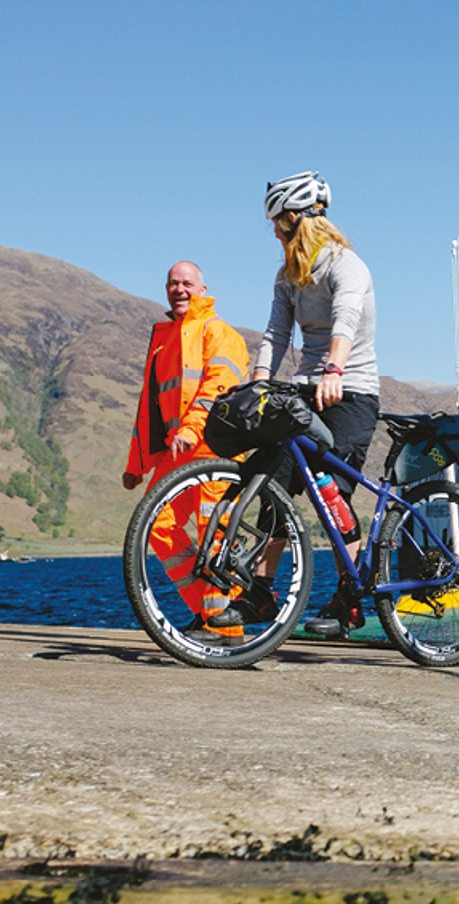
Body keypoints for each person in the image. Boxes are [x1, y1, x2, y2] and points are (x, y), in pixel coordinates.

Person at [251, 171, 382, 637]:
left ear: (291, 219)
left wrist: (334, 369)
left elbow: (345, 318)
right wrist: (261, 382)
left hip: (351, 392)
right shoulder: (288, 276)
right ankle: (260, 594)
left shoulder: (347, 265)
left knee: (333, 496)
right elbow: (276, 333)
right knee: (274, 483)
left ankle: (351, 598)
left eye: (276, 224)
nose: (273, 233)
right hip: (305, 390)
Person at [122, 261, 250, 641]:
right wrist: (137, 464)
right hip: (175, 456)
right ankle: (206, 612)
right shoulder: (164, 340)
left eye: (187, 283)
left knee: (216, 534)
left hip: (215, 451)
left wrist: (193, 429)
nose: (179, 289)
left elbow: (218, 386)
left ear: (203, 288)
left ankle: (228, 626)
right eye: (172, 283)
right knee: (157, 526)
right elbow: (150, 408)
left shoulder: (219, 333)